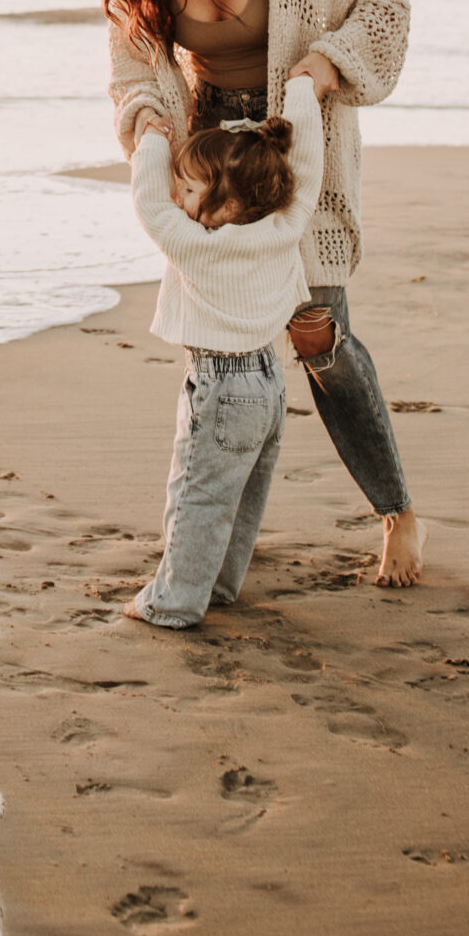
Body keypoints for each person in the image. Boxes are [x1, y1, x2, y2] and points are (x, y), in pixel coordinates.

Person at [87, 0, 426, 589]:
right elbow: (129, 69)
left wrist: (326, 63)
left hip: (295, 147)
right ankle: (211, 541)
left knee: (320, 339)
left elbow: (382, 3)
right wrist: (145, 117)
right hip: (214, 171)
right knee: (222, 358)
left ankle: (397, 512)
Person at [123, 77, 322, 627]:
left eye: (188, 190)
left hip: (221, 385)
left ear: (229, 205)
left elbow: (148, 207)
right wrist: (303, 90)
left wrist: (152, 140)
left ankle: (176, 601)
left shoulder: (200, 248)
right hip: (269, 382)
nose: (176, 199)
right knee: (242, 496)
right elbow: (308, 170)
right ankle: (219, 584)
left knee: (198, 495)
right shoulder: (284, 226)